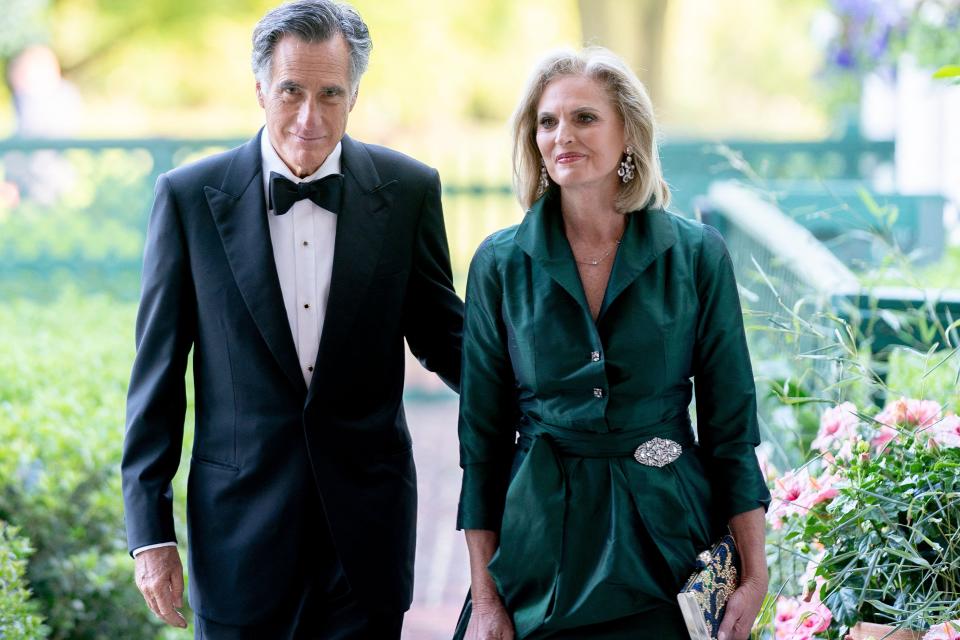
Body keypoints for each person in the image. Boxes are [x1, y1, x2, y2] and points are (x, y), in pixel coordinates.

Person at [120, 1, 463, 638]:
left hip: (365, 533)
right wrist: (150, 535)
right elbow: (157, 378)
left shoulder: (409, 190)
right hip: (238, 536)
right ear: (259, 89)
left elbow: (449, 339)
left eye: (331, 93)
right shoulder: (189, 198)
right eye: (291, 91)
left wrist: (541, 401)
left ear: (355, 95)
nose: (310, 117)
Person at [454, 47, 770, 640]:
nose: (561, 136)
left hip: (670, 539)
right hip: (539, 545)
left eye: (584, 118)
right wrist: (487, 600)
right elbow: (482, 443)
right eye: (546, 122)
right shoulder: (498, 263)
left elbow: (732, 428)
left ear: (628, 132)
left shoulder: (698, 255)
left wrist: (753, 575)